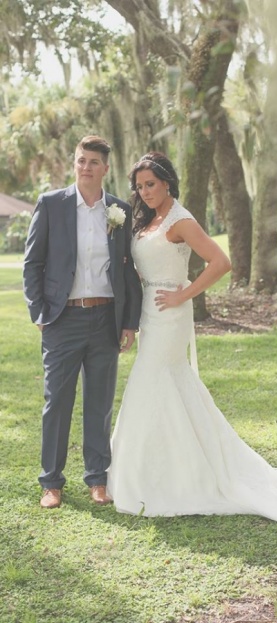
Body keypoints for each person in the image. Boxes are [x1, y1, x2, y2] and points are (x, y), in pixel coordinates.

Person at [106, 151, 277, 535]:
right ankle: (167, 468)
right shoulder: (149, 220)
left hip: (171, 311)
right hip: (150, 312)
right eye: (139, 187)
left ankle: (171, 478)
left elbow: (221, 262)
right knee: (164, 383)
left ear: (167, 181)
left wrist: (183, 296)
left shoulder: (180, 219)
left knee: (154, 379)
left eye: (150, 184)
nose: (145, 192)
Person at [23, 135, 142, 509]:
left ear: (106, 168)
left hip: (106, 317)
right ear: (74, 164)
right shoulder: (52, 204)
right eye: (81, 160)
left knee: (100, 402)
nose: (86, 167)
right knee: (56, 401)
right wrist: (40, 313)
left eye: (93, 161)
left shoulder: (118, 211)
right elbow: (32, 264)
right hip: (63, 318)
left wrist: (129, 322)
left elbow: (128, 272)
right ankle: (51, 483)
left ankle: (97, 479)